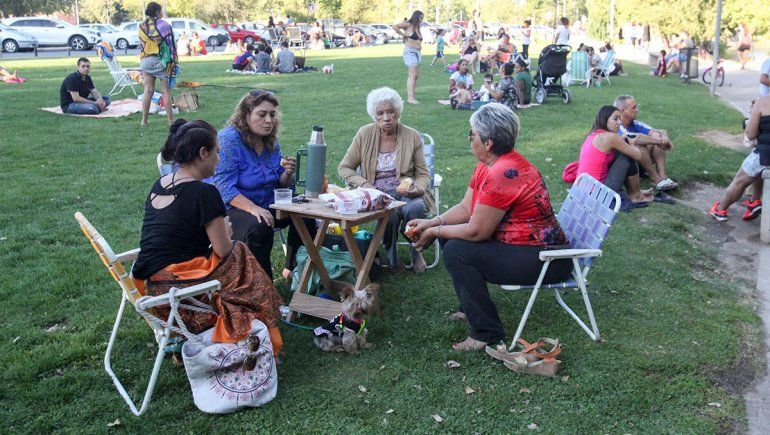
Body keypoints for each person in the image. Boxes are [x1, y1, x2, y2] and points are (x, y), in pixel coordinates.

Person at [408, 103, 572, 351]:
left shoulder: (503, 173)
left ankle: (486, 332)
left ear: (488, 143)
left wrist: (433, 232)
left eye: (471, 134)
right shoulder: (489, 164)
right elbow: (466, 208)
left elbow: (477, 231)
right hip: (530, 250)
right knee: (451, 239)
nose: (469, 139)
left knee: (457, 251)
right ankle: (469, 308)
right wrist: (433, 222)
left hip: (547, 259)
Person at [132, 119, 284, 354]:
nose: (219, 159)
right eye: (217, 153)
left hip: (147, 283)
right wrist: (229, 232)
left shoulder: (160, 184)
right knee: (241, 254)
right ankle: (264, 323)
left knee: (239, 258)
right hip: (176, 286)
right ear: (203, 153)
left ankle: (260, 314)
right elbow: (223, 251)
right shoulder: (205, 192)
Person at [209, 91, 316, 279]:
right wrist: (253, 209)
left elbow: (279, 183)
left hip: (267, 203)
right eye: (262, 114)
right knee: (260, 226)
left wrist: (287, 173)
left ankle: (295, 271)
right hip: (232, 208)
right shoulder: (229, 139)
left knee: (306, 214)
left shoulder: (271, 142)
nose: (269, 120)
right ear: (246, 114)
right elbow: (223, 187)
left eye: (272, 115)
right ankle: (263, 289)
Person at [338, 87, 433, 272]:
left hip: (406, 192)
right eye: (380, 113)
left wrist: (418, 188)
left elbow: (423, 173)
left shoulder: (412, 136)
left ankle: (416, 252)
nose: (386, 117)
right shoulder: (364, 134)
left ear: (398, 112)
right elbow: (344, 167)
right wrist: (365, 185)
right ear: (374, 115)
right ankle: (392, 256)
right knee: (389, 216)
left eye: (390, 112)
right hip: (378, 195)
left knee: (416, 207)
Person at [577, 105, 667, 204]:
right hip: (597, 194)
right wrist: (632, 144)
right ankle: (636, 195)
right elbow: (637, 156)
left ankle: (636, 192)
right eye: (615, 119)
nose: (619, 122)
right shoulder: (611, 137)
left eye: (620, 119)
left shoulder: (593, 135)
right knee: (628, 154)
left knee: (623, 150)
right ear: (604, 119)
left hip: (582, 190)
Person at [709, 96, 769, 221]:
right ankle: (754, 202)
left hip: (766, 155)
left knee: (740, 181)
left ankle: (720, 210)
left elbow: (750, 134)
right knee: (758, 169)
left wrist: (753, 113)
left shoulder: (763, 101)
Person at [614, 95, 678, 191]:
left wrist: (663, 137)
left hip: (640, 162)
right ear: (622, 110)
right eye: (634, 107)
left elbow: (660, 131)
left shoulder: (635, 123)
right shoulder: (617, 125)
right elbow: (635, 138)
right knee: (638, 145)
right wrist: (659, 142)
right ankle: (656, 179)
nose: (637, 110)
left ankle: (663, 176)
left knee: (656, 135)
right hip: (625, 167)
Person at [138, 1, 176, 126]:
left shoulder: (141, 26)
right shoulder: (164, 25)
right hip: (161, 61)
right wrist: (174, 61)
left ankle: (144, 121)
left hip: (145, 61)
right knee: (165, 91)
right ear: (158, 12)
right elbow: (171, 45)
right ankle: (171, 122)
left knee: (148, 90)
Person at [393, 11, 424, 104]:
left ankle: (411, 96)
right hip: (410, 52)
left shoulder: (418, 27)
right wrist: (403, 35)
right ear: (416, 17)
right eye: (421, 18)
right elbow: (395, 26)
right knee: (413, 75)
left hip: (417, 53)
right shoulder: (409, 24)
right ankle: (410, 98)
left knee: (415, 75)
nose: (422, 20)